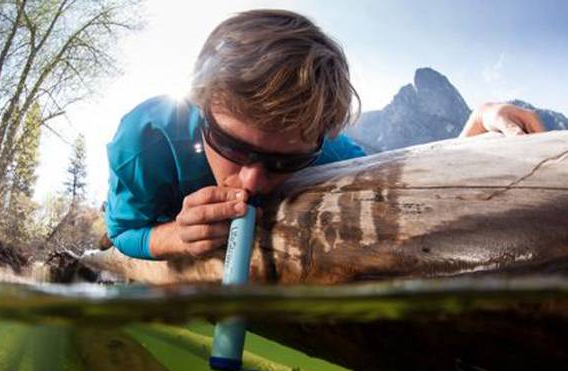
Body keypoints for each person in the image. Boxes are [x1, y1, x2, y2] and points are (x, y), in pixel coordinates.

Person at [105, 9, 544, 261]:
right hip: (155, 206)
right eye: (234, 147)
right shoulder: (144, 139)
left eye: (285, 163)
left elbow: (404, 171)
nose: (254, 182)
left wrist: (477, 122)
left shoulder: (325, 151)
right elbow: (125, 230)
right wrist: (172, 238)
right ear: (201, 102)